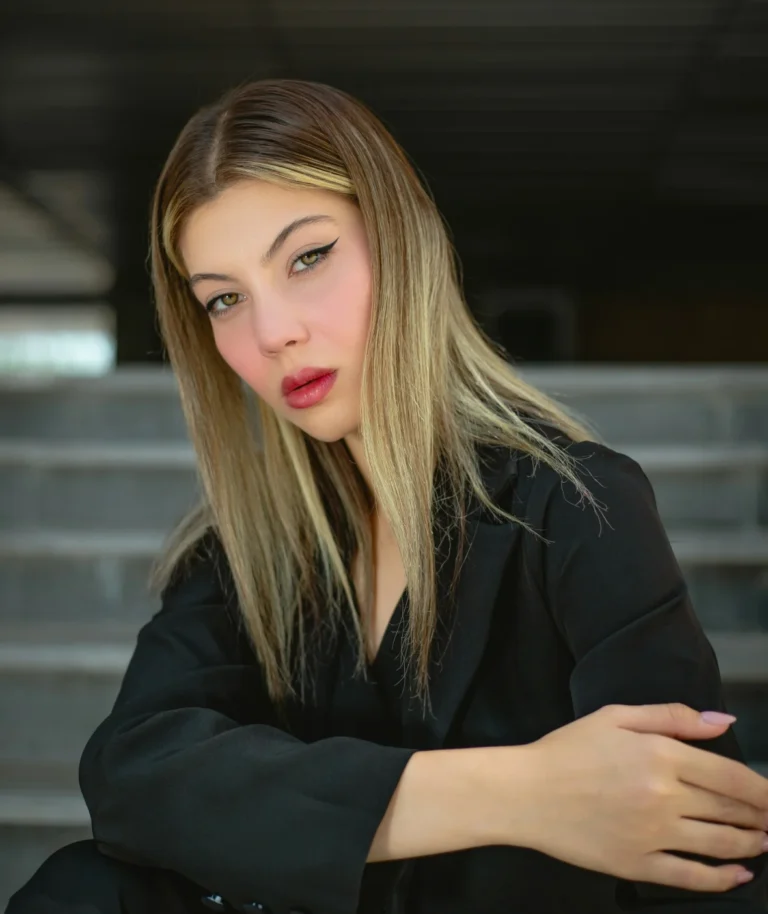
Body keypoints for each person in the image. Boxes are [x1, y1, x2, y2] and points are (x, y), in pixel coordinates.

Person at [7, 78, 768, 914]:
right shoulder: (248, 552)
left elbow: (703, 850)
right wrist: (523, 791)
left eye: (307, 259)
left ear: (399, 242)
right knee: (85, 887)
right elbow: (134, 777)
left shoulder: (578, 506)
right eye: (225, 299)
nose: (273, 333)